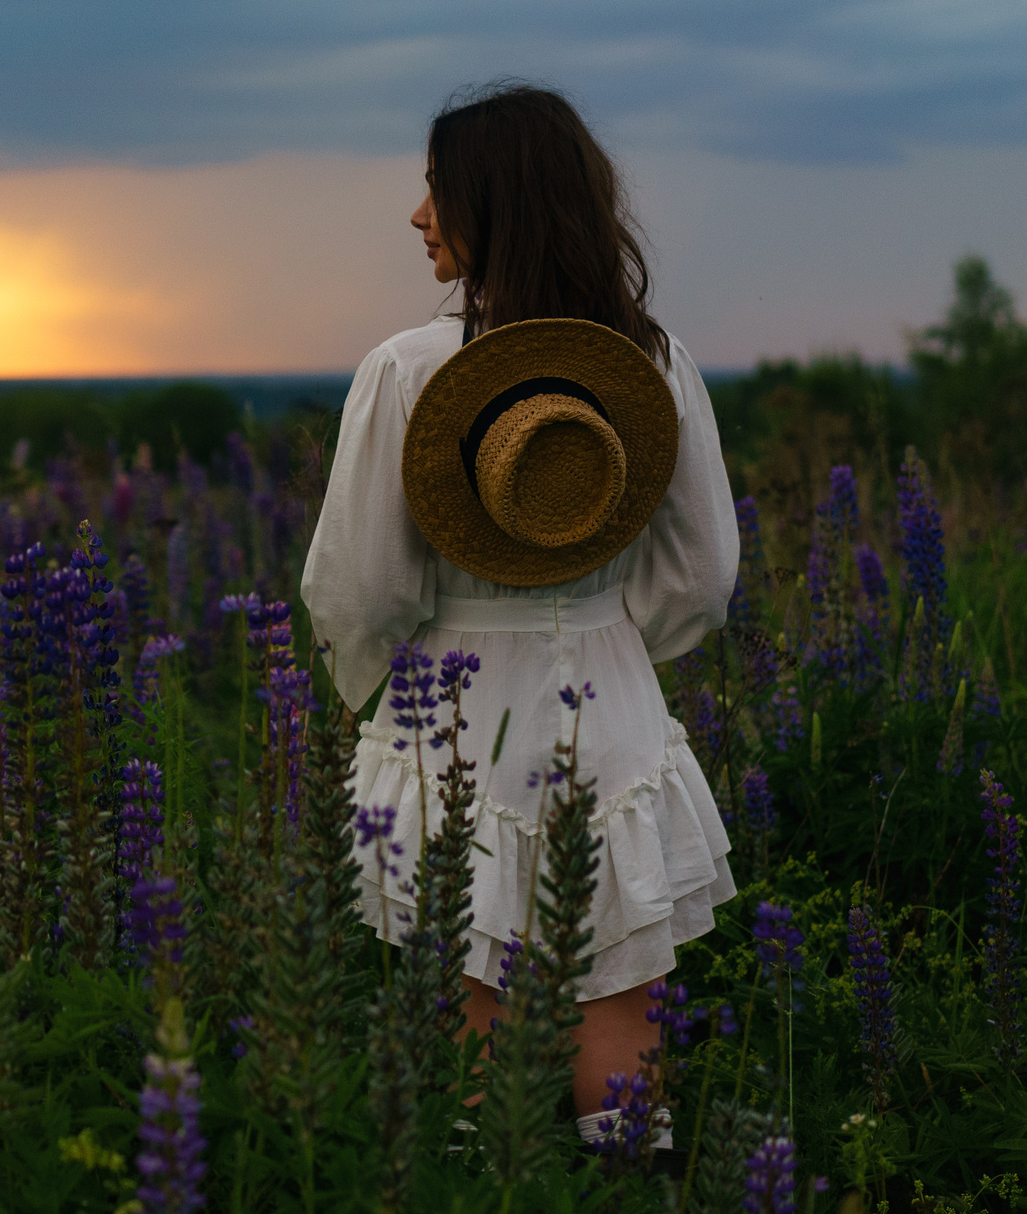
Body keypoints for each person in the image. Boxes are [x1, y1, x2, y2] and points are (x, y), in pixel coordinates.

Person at [299, 81, 738, 1152]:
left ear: (492, 206)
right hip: (613, 703)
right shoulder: (652, 362)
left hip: (449, 713)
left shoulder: (408, 371)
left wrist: (367, 693)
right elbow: (702, 578)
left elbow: (356, 589)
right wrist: (604, 629)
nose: (417, 217)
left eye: (436, 191)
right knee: (619, 1005)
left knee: (472, 999)